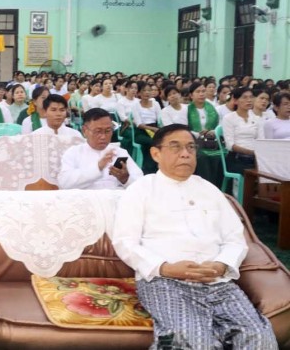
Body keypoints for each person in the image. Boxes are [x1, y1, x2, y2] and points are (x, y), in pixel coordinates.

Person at [111, 124, 277, 349]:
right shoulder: (140, 190)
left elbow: (235, 238)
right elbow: (125, 241)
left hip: (218, 282)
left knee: (259, 337)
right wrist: (166, 268)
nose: (185, 154)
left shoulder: (210, 190)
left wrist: (221, 264)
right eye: (175, 147)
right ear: (156, 154)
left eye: (191, 147)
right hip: (165, 282)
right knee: (195, 342)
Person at [58, 108, 142, 190]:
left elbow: (141, 183)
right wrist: (98, 167)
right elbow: (64, 183)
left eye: (108, 131)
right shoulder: (74, 153)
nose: (103, 137)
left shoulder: (120, 152)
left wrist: (126, 179)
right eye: (98, 131)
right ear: (84, 131)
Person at [221, 87, 263, 175]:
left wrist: (257, 154)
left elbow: (261, 140)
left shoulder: (257, 118)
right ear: (235, 101)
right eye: (245, 97)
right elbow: (230, 145)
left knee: (269, 173)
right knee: (252, 174)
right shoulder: (229, 118)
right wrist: (251, 152)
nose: (249, 100)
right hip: (237, 157)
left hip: (256, 158)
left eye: (251, 97)